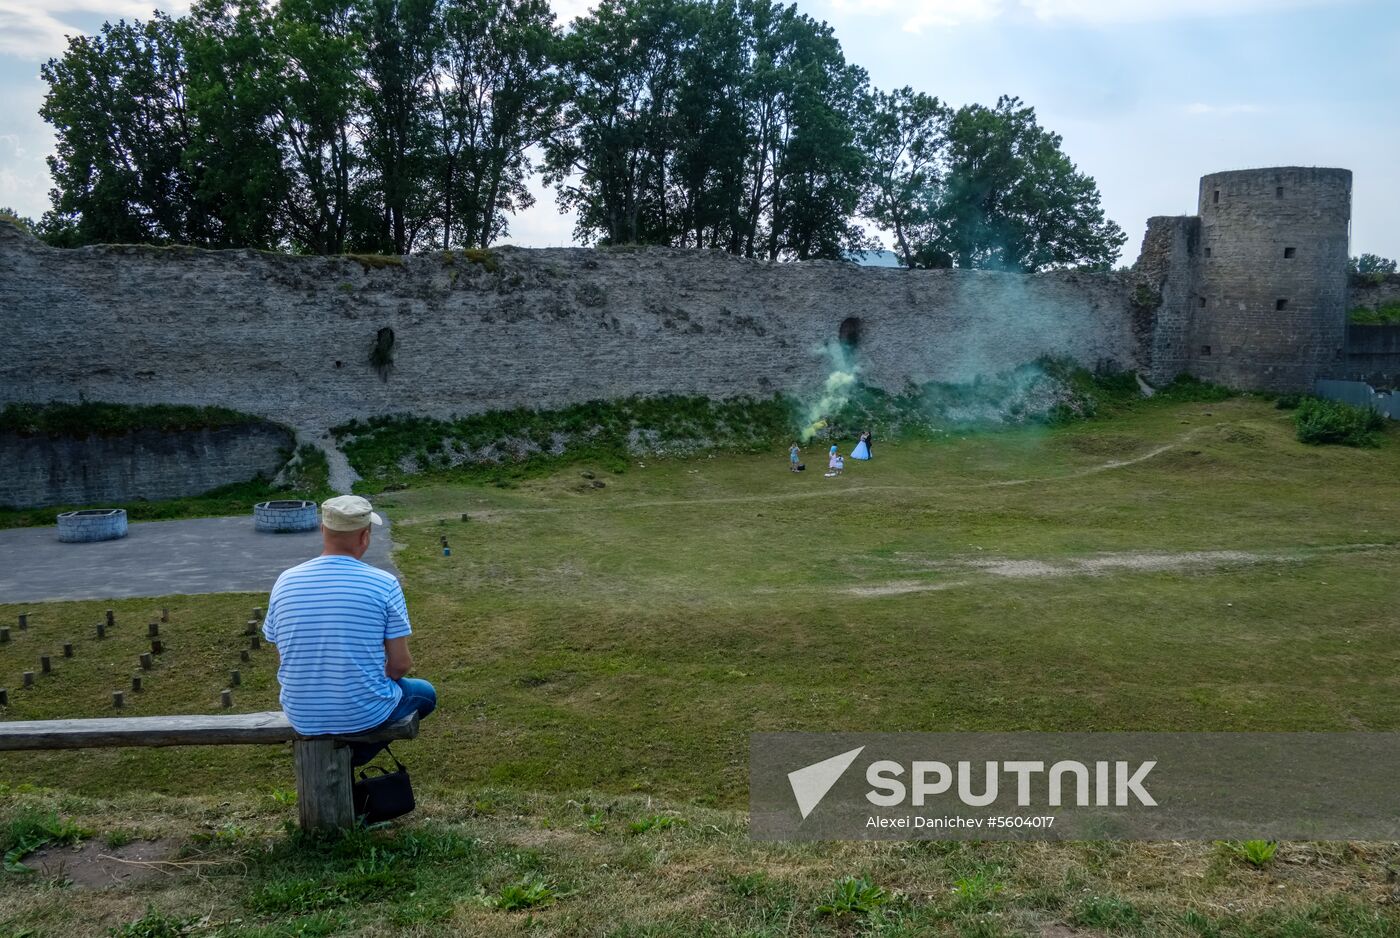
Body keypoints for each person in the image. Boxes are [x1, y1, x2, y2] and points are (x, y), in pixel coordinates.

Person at [263, 495, 436, 767]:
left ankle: (338, 759)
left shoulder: (285, 581)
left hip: (301, 713)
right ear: (365, 536)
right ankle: (351, 758)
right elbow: (401, 665)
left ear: (323, 530)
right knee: (425, 693)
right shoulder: (384, 583)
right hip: (362, 714)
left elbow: (284, 655)